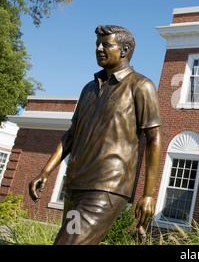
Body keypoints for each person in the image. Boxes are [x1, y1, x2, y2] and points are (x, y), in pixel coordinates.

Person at [29, 25, 162, 244]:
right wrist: (45, 171)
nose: (99, 49)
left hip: (107, 187)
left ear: (124, 50)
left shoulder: (141, 86)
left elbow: (154, 139)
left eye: (106, 44)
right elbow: (71, 135)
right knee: (67, 239)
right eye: (97, 45)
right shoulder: (88, 89)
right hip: (74, 187)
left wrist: (148, 194)